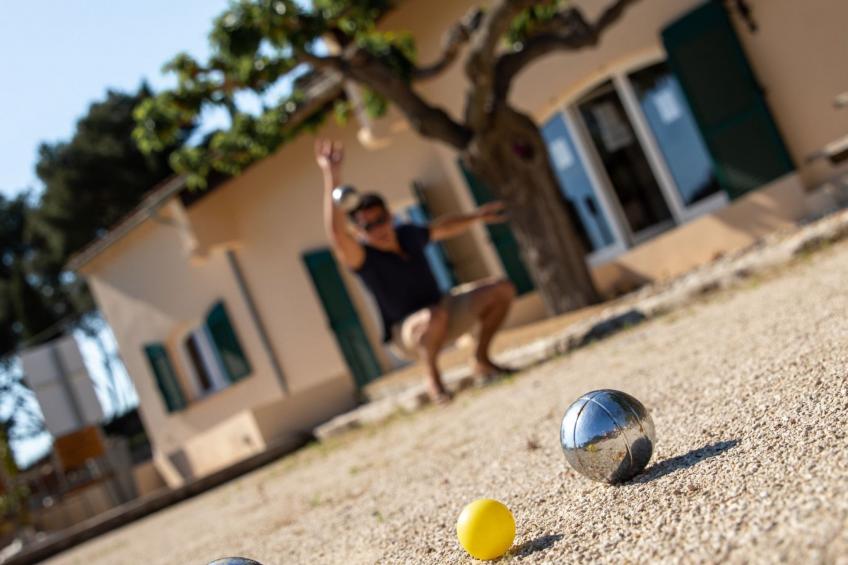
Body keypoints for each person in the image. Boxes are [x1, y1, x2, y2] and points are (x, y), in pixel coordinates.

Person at [315, 139, 516, 404]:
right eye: (369, 226)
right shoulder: (363, 257)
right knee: (434, 316)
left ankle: (481, 359)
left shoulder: (408, 234)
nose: (378, 229)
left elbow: (442, 228)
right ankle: (434, 382)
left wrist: (477, 216)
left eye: (380, 220)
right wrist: (332, 176)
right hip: (406, 333)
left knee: (502, 289)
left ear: (390, 216)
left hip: (443, 308)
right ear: (359, 232)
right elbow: (337, 235)